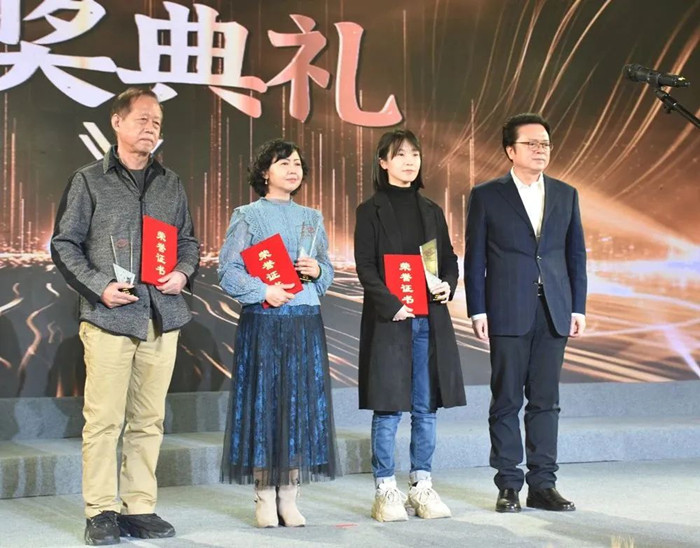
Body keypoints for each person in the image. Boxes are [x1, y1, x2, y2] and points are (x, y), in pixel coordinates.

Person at [51, 87, 200, 545]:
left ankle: (139, 507)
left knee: (149, 419)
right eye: (142, 119)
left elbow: (188, 242)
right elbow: (64, 244)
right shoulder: (88, 180)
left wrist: (182, 272)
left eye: (157, 122)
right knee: (103, 421)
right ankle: (100, 510)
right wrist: (99, 286)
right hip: (109, 318)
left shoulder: (170, 183)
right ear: (117, 122)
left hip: (161, 317)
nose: (151, 128)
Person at [464, 113, 587, 513]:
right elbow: (475, 257)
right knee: (506, 400)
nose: (540, 150)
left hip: (554, 309)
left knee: (546, 402)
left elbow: (575, 255)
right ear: (510, 150)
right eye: (531, 143)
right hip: (506, 311)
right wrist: (477, 309)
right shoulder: (487, 195)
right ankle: (508, 484)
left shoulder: (566, 194)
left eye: (545, 144)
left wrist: (578, 306)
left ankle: (543, 484)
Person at [218, 138, 337, 528]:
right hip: (265, 320)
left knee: (299, 406)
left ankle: (290, 494)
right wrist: (263, 290)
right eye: (283, 162)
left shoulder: (312, 218)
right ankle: (264, 494)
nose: (293, 169)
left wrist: (319, 272)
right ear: (264, 172)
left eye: (297, 163)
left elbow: (325, 269)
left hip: (304, 320)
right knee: (265, 406)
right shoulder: (247, 215)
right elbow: (228, 270)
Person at [354, 129, 466, 522]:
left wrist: (447, 285)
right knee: (388, 407)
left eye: (414, 155)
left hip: (429, 320)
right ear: (383, 162)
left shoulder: (431, 210)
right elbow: (366, 266)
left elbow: (448, 259)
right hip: (391, 320)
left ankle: (422, 485)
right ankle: (385, 488)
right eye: (399, 154)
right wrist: (392, 304)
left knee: (425, 407)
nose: (409, 161)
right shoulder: (370, 210)